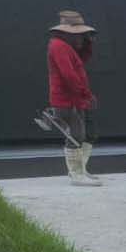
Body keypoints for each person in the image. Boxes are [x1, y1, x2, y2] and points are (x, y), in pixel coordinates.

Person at [46, 10, 100, 186]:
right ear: (66, 33)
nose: (80, 37)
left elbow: (79, 61)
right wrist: (86, 94)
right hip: (65, 98)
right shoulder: (58, 46)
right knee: (76, 133)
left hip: (74, 96)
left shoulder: (64, 46)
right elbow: (68, 75)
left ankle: (80, 170)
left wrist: (88, 45)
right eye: (79, 35)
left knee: (86, 132)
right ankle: (76, 174)